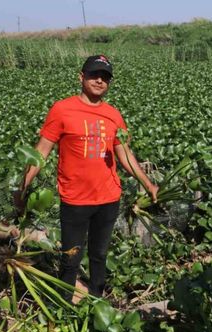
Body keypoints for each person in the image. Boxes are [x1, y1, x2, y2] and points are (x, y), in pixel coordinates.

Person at [16, 54, 158, 300]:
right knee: (71, 257)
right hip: (75, 199)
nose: (99, 80)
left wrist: (148, 184)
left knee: (99, 255)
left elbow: (124, 153)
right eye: (94, 74)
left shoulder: (114, 115)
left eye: (105, 77)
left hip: (108, 197)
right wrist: (22, 188)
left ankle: (96, 300)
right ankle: (63, 306)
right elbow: (41, 151)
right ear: (81, 77)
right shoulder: (62, 109)